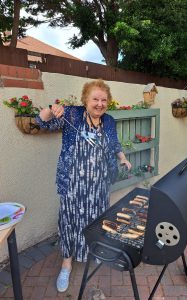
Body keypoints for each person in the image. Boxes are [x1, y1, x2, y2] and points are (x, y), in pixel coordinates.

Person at [36, 79, 132, 292]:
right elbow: (42, 122)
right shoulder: (72, 115)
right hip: (72, 185)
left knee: (95, 221)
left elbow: (114, 143)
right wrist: (51, 110)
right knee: (69, 223)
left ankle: (92, 252)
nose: (100, 103)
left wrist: (122, 158)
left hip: (98, 185)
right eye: (95, 99)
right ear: (85, 100)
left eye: (104, 100)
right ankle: (66, 265)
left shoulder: (108, 121)